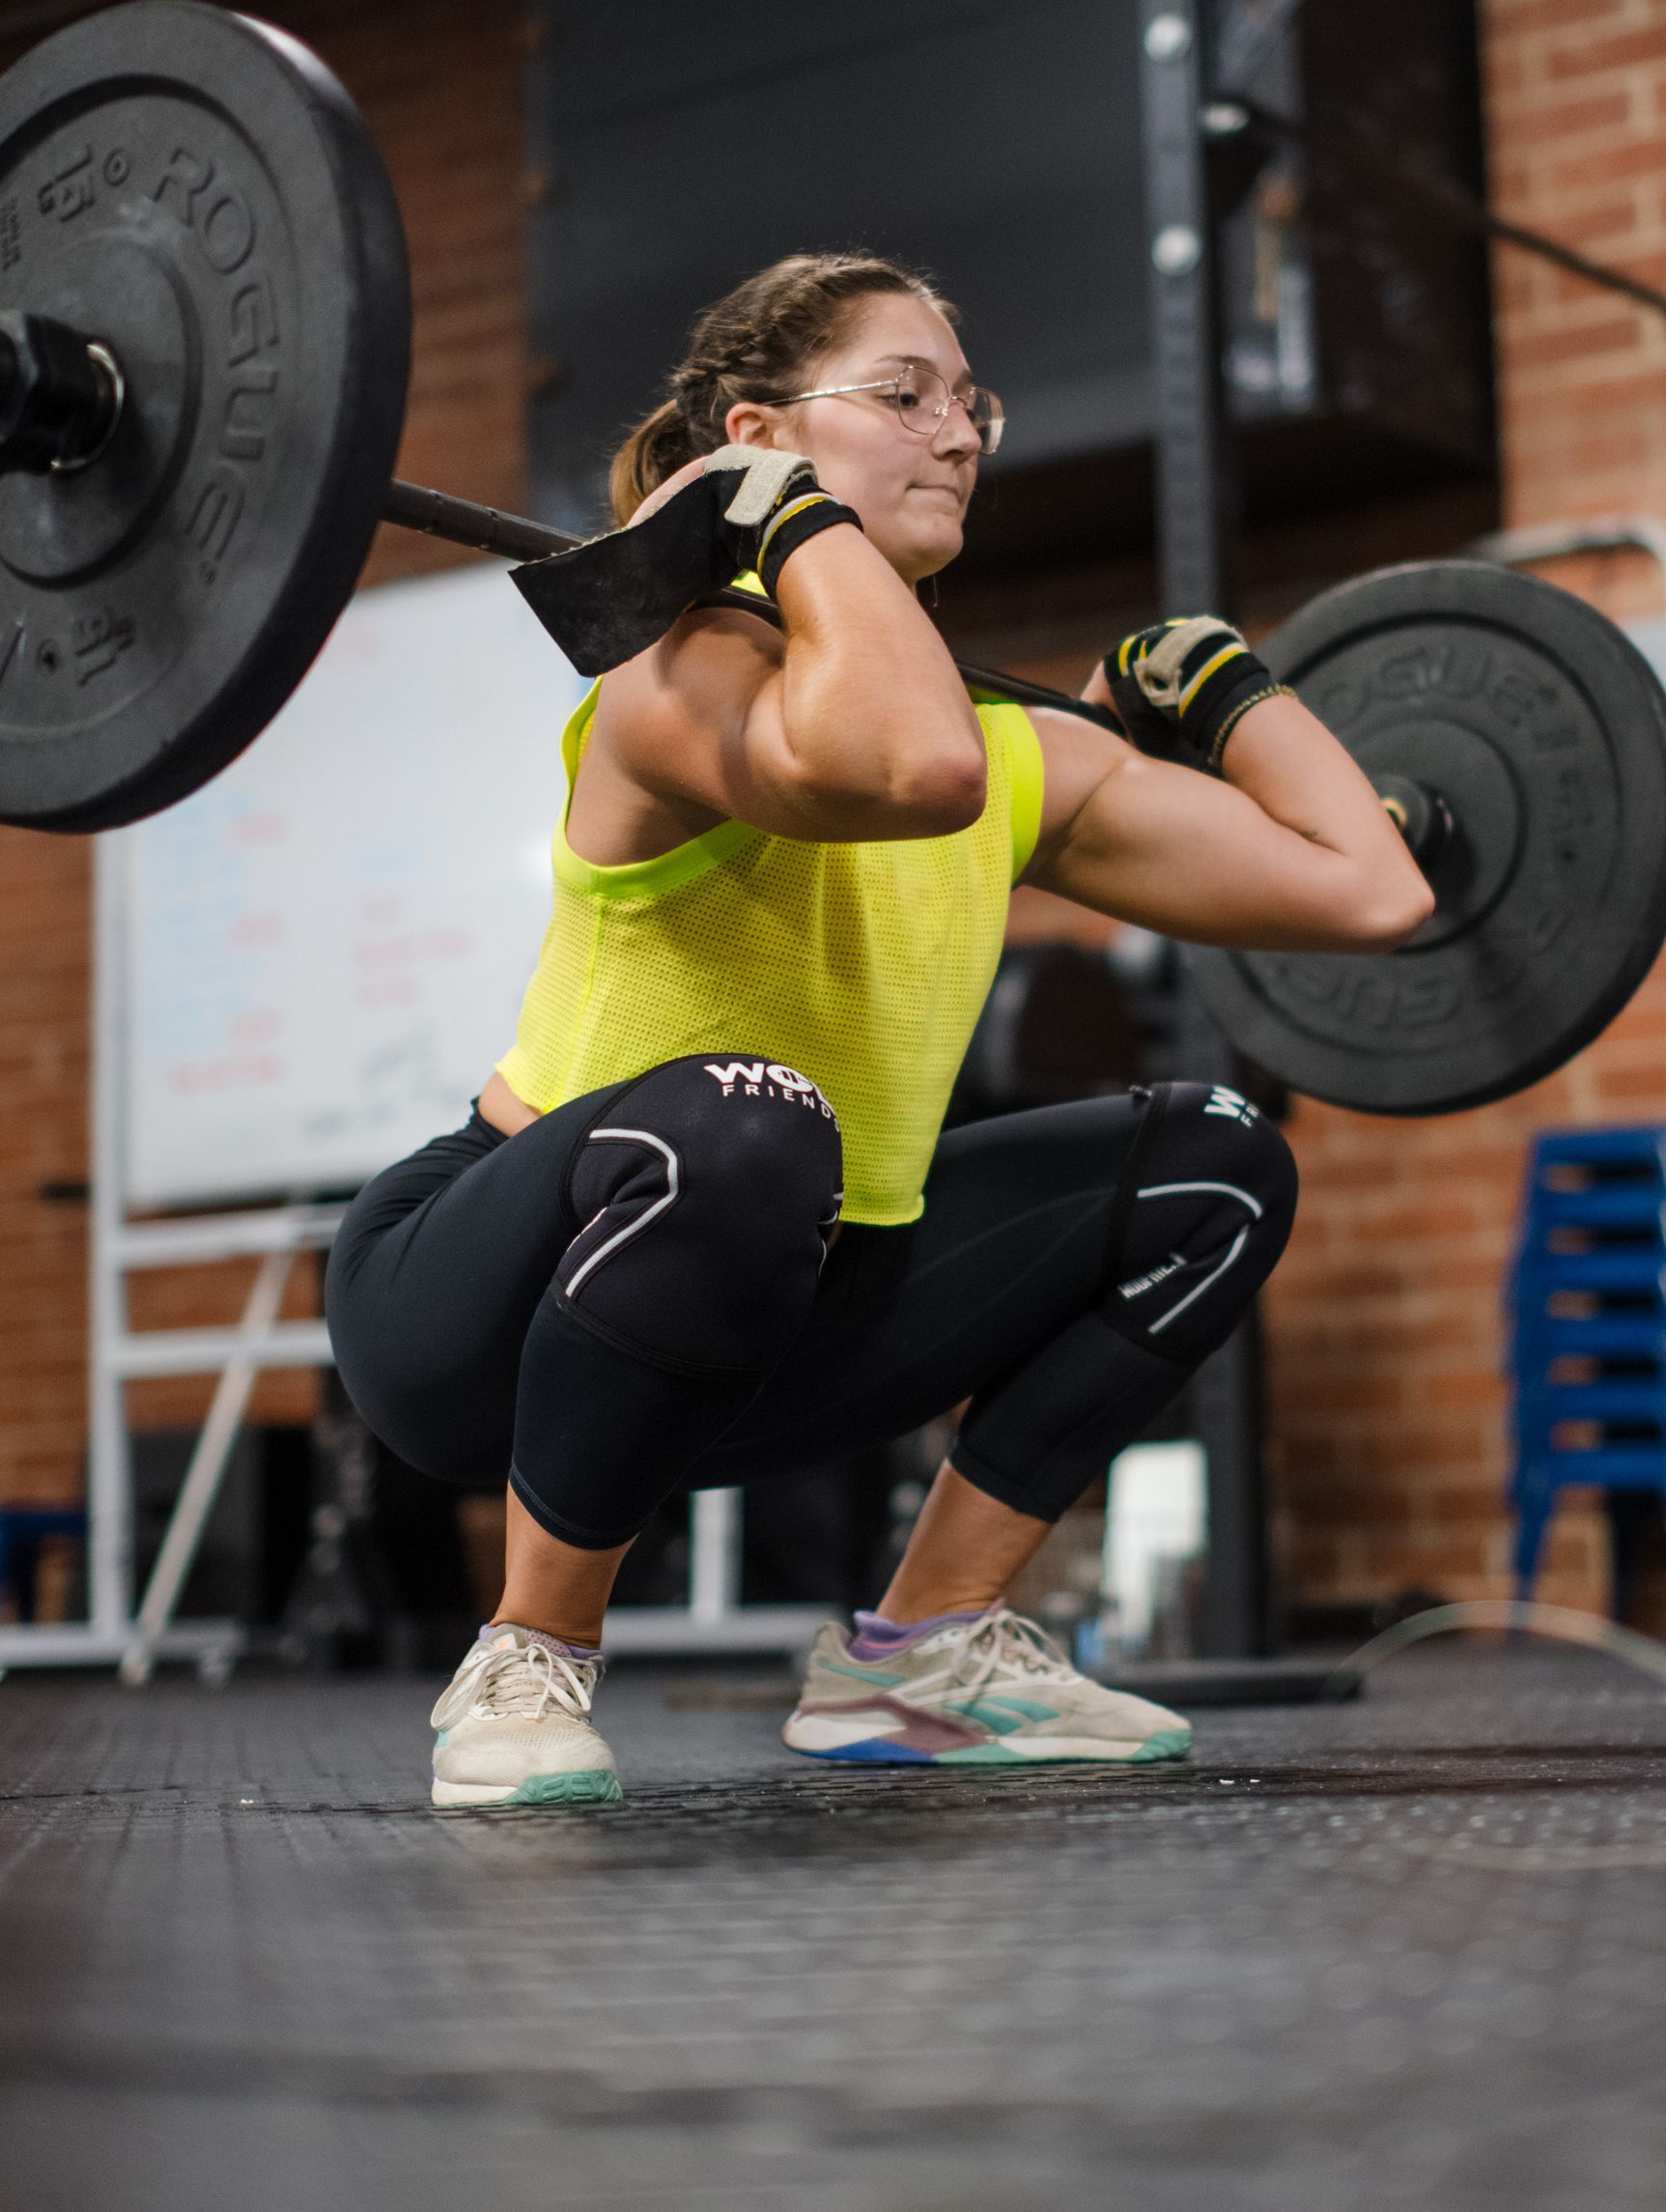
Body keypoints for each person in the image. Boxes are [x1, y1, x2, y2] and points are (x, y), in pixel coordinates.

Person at [326, 253, 1432, 1809]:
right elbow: (915, 768)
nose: (962, 431)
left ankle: (924, 1653)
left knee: (1218, 1165)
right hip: (482, 1315)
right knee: (753, 1113)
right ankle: (529, 1657)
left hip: (784, 1307)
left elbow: (1373, 888)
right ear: (757, 427)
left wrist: (1226, 683)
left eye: (971, 401)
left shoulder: (1014, 752)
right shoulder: (674, 676)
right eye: (904, 394)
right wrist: (787, 524)